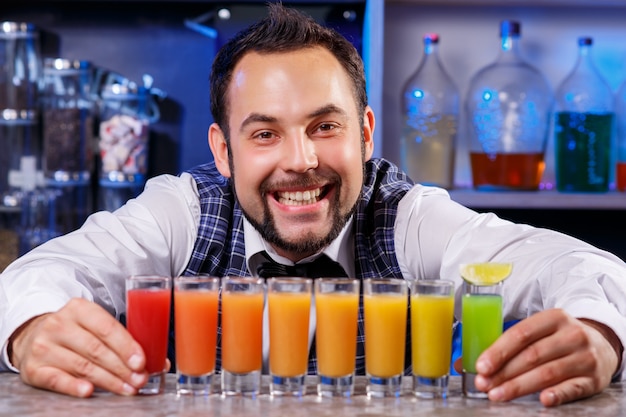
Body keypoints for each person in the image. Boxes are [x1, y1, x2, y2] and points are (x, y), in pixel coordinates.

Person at [1, 3, 625, 407]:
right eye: (265, 133)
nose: (300, 159)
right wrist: (30, 329)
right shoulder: (184, 211)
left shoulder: (406, 219)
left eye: (325, 126)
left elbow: (576, 266)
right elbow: (34, 277)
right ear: (224, 151)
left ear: (365, 133)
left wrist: (598, 331)